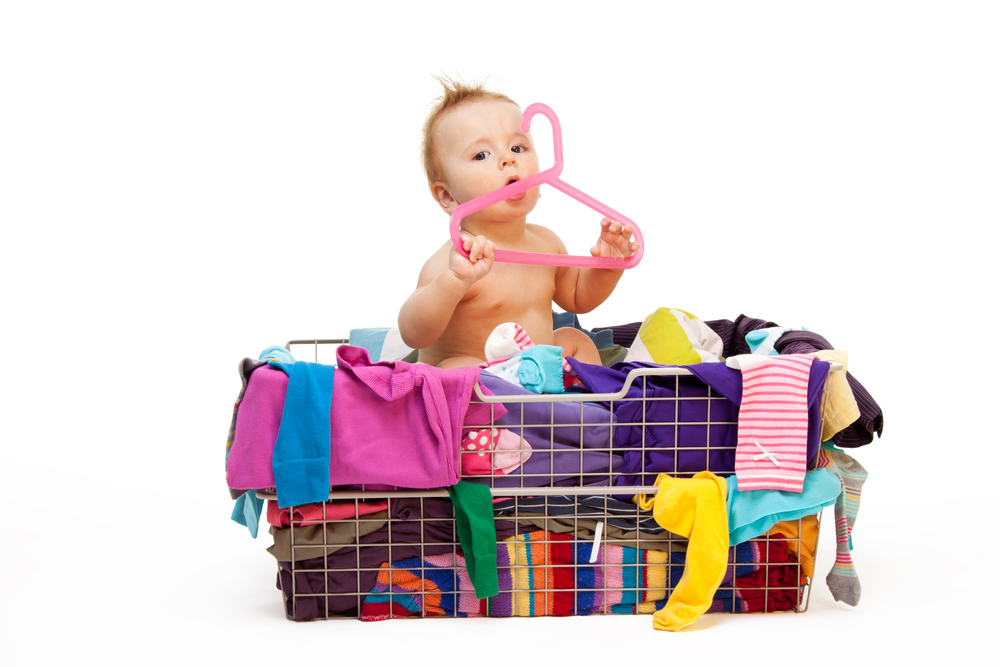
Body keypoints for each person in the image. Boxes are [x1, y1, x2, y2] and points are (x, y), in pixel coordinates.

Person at [398, 78, 637, 369]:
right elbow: (414, 333)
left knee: (576, 340)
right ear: (447, 196)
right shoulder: (456, 261)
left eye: (518, 147)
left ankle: (585, 409)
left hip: (538, 374)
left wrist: (609, 267)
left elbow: (577, 297)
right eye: (481, 154)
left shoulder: (547, 242)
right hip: (480, 382)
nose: (508, 159)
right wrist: (454, 281)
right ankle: (503, 409)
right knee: (454, 368)